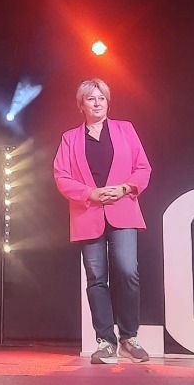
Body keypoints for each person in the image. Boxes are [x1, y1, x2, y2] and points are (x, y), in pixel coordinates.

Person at [53, 78, 151, 365]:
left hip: (123, 209)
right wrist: (90, 193)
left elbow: (142, 168)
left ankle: (129, 337)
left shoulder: (125, 130)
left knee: (128, 270)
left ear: (108, 102)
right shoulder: (70, 138)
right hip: (88, 213)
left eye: (102, 98)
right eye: (91, 99)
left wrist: (125, 188)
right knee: (96, 278)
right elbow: (61, 176)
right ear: (81, 105)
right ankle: (106, 341)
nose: (97, 103)